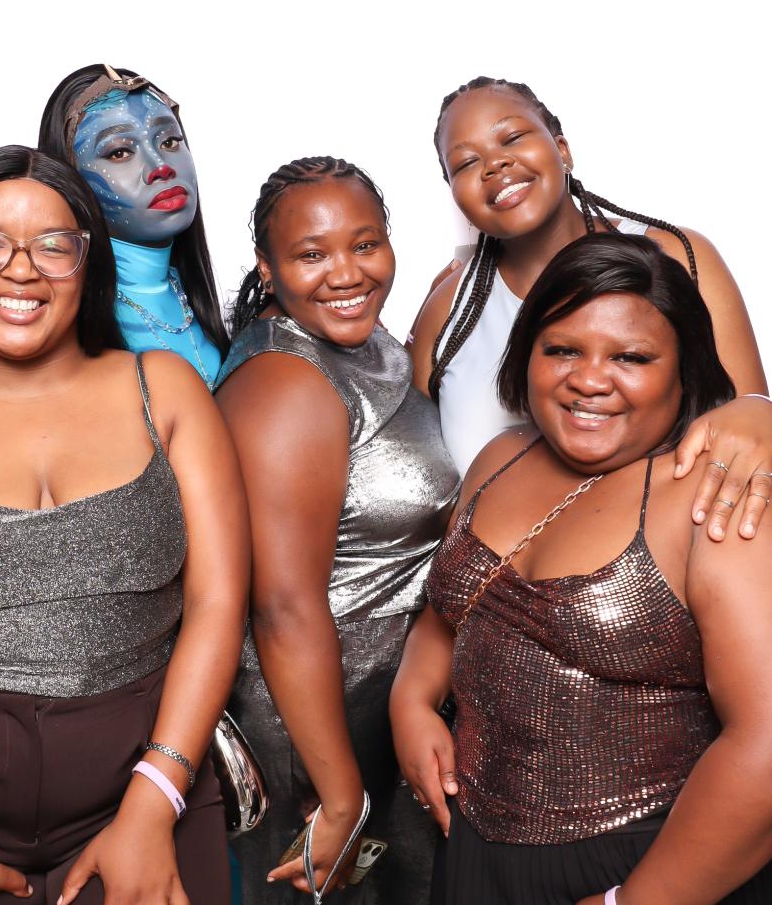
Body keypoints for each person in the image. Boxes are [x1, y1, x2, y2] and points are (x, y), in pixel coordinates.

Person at [0, 146, 249, 904]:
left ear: (88, 265)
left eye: (54, 245)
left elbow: (219, 603)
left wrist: (155, 801)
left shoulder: (165, 389)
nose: (20, 270)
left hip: (152, 783)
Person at [392, 234, 772, 904]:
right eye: (562, 349)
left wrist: (636, 901)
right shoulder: (500, 457)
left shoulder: (715, 497)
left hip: (650, 866)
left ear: (684, 368)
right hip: (471, 851)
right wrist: (411, 700)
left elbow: (766, 743)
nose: (589, 380)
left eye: (631, 357)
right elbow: (453, 609)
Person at [215, 157, 461, 903]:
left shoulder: (367, 341)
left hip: (387, 701)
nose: (347, 273)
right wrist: (342, 794)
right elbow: (283, 607)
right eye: (312, 254)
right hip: (321, 728)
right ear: (268, 267)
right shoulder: (286, 382)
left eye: (365, 244)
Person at [410, 75, 771, 542]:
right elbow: (408, 466)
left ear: (562, 149)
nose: (495, 163)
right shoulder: (449, 309)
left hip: (662, 564)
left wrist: (760, 411)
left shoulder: (674, 258)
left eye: (512, 137)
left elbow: (749, 434)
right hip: (493, 574)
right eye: (465, 163)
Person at [38, 64, 228, 389]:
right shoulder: (62, 320)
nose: (160, 167)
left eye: (169, 141)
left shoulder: (190, 294)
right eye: (120, 152)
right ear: (71, 180)